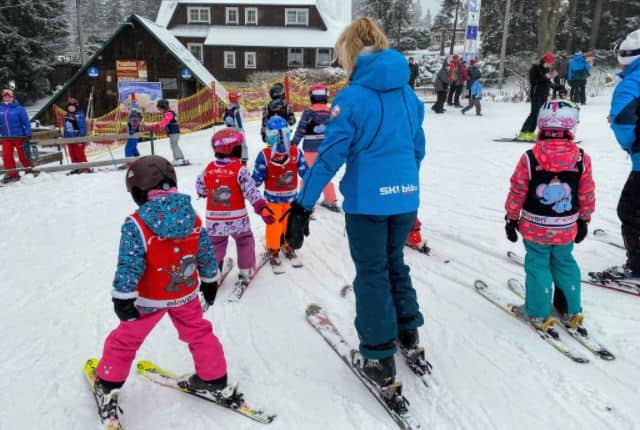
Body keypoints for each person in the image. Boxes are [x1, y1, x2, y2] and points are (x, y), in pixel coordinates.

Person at [285, 17, 426, 389]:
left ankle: (379, 355)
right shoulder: (408, 95)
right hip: (405, 199)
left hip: (368, 203)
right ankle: (407, 331)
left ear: (350, 53)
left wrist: (302, 206)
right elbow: (417, 148)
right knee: (394, 262)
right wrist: (405, 182)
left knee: (373, 273)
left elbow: (329, 157)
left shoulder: (351, 98)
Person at [92, 155, 236, 423]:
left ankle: (108, 383)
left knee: (126, 339)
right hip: (185, 295)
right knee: (199, 333)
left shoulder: (136, 223)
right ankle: (213, 377)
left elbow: (129, 264)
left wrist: (123, 298)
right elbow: (204, 249)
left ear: (137, 192)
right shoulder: (190, 216)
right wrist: (209, 279)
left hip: (148, 300)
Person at [505, 100, 595, 331]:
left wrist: (511, 217)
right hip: (566, 227)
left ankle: (537, 311)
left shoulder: (529, 158)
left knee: (538, 265)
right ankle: (570, 308)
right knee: (564, 263)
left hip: (536, 227)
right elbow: (586, 191)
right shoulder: (581, 158)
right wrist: (584, 219)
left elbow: (518, 190)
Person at [196, 128, 274, 282]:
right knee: (245, 240)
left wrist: (206, 192)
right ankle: (245, 271)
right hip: (237, 219)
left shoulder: (208, 169)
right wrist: (262, 208)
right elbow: (252, 191)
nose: (242, 148)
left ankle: (213, 273)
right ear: (233, 149)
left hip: (214, 220)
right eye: (240, 146)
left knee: (215, 244)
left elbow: (200, 188)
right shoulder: (240, 170)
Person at [606, 28, 640, 280]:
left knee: (629, 210)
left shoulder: (632, 81)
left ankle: (637, 265)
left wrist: (632, 145)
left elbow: (621, 119)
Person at [252, 115, 308, 267]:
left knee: (275, 223)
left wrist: (247, 183)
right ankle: (284, 245)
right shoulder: (296, 153)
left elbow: (256, 179)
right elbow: (306, 173)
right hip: (289, 198)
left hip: (274, 198)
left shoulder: (265, 155)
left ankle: (275, 247)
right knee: (287, 222)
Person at [291, 83, 340, 212]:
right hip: (326, 148)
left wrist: (293, 144)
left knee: (309, 174)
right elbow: (336, 130)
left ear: (311, 97)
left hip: (310, 149)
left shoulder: (308, 113)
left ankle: (304, 203)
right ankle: (331, 200)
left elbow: (301, 130)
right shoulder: (331, 112)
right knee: (324, 173)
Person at [517, 52, 557, 141]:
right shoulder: (535, 68)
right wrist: (546, 77)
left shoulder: (546, 69)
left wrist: (555, 86)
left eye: (551, 63)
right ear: (544, 61)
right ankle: (523, 132)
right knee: (534, 113)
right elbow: (533, 81)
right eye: (549, 63)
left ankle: (531, 132)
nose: (550, 65)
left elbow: (547, 82)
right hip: (536, 94)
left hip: (544, 94)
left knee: (539, 114)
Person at [0, 88, 32, 183]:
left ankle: (29, 171)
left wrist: (28, 133)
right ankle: (12, 174)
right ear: (2, 97)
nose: (7, 97)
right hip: (6, 137)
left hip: (19, 136)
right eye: (5, 96)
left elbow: (26, 123)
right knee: (6, 156)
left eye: (9, 95)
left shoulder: (19, 109)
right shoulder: (0, 109)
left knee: (23, 155)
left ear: (12, 97)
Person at [149, 99, 187, 166]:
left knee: (174, 145)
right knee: (173, 145)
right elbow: (166, 123)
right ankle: (178, 158)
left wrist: (158, 126)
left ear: (163, 107)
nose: (159, 110)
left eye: (159, 109)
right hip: (173, 132)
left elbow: (166, 121)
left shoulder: (169, 113)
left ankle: (179, 158)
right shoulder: (167, 113)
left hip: (174, 131)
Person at [63, 98, 89, 174]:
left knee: (79, 153)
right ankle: (76, 167)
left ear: (76, 107)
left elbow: (83, 128)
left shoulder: (79, 116)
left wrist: (81, 138)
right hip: (70, 139)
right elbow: (66, 129)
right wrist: (65, 138)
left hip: (78, 139)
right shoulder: (67, 116)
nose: (70, 108)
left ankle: (84, 168)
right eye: (69, 107)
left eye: (72, 106)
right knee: (72, 154)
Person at [223, 92, 248, 164]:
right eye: (238, 97)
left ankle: (233, 161)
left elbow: (224, 118)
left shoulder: (227, 108)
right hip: (237, 131)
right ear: (235, 98)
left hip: (230, 131)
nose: (239, 99)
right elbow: (239, 122)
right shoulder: (237, 109)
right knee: (243, 146)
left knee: (233, 146)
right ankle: (243, 162)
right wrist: (241, 130)